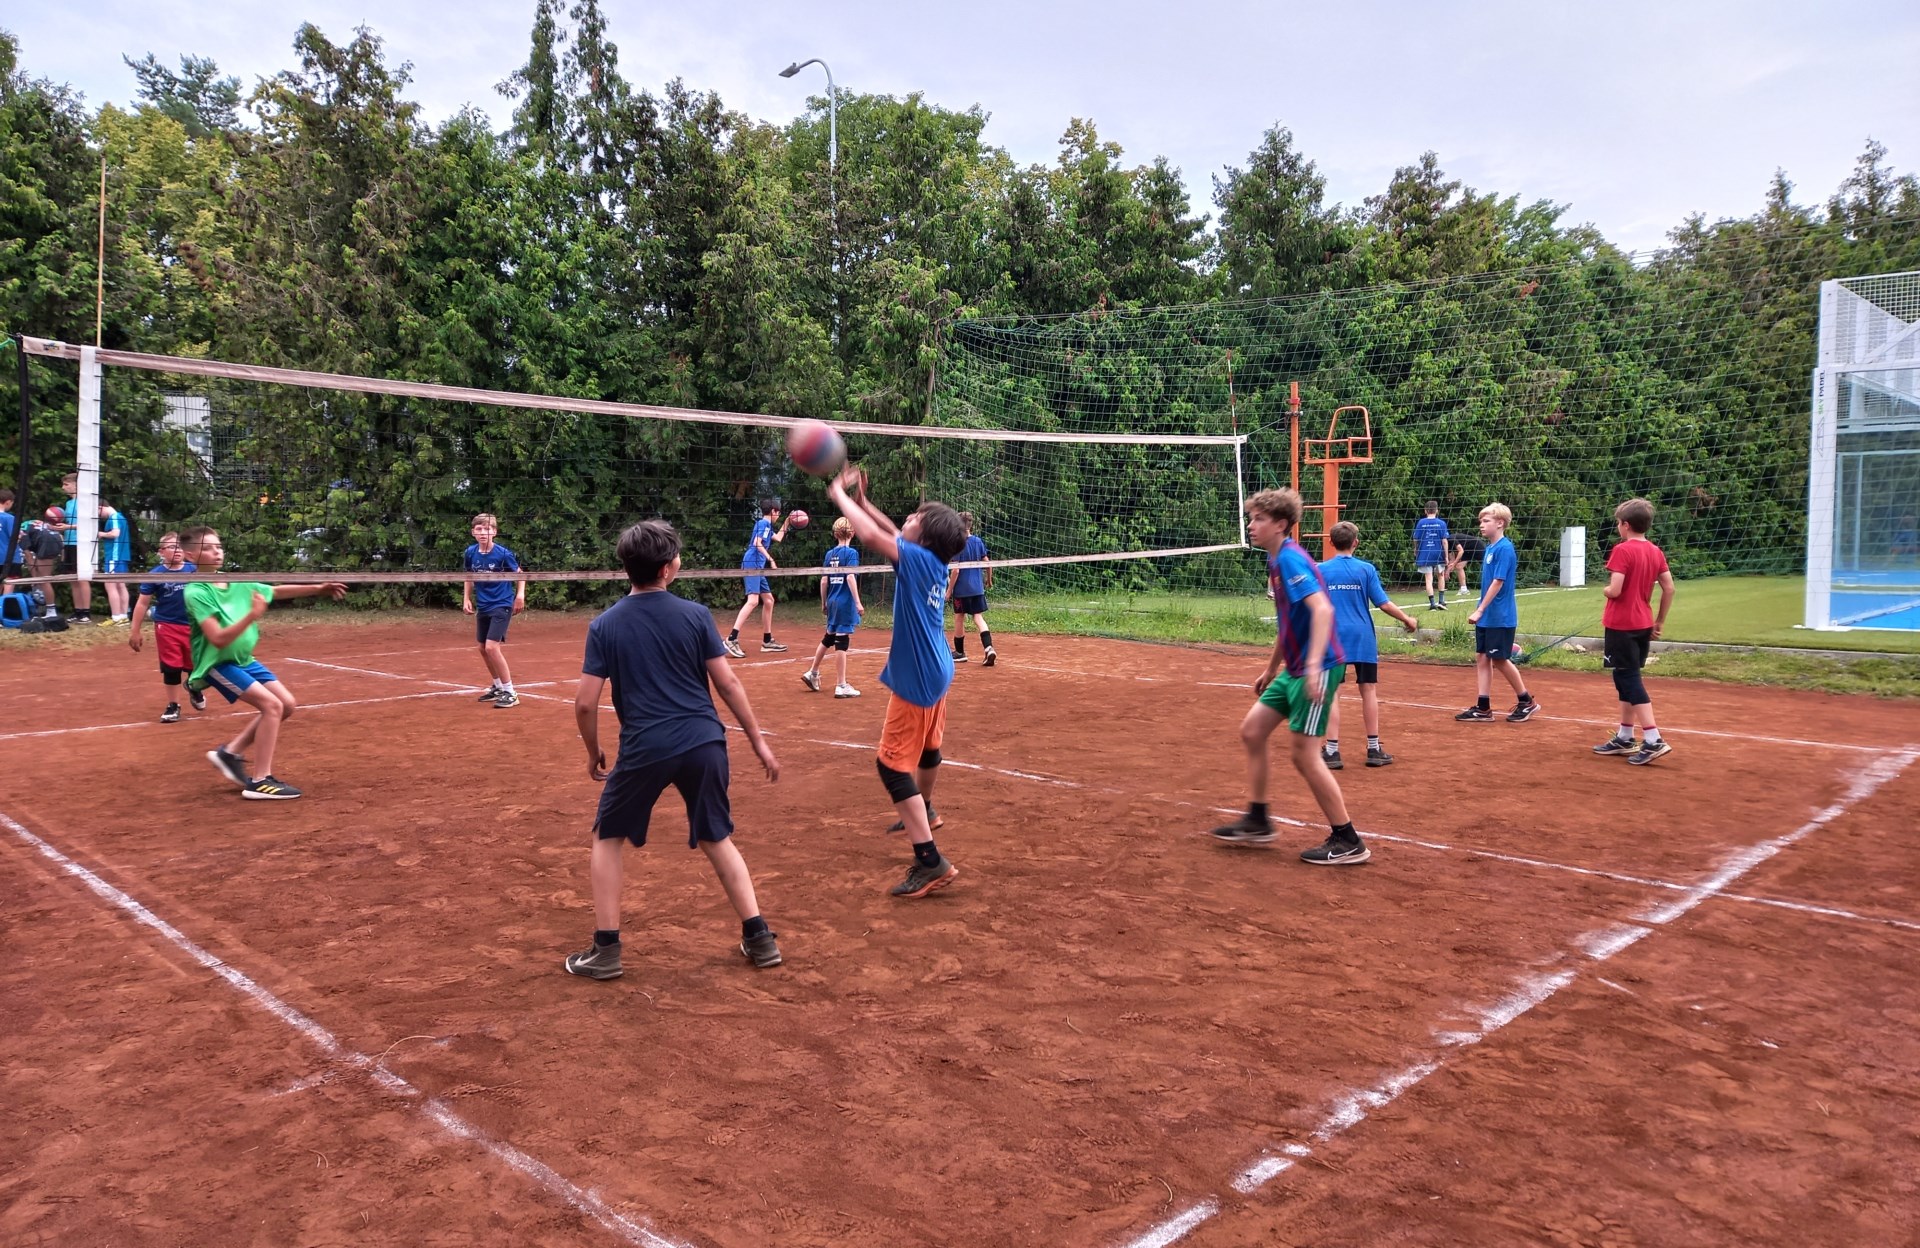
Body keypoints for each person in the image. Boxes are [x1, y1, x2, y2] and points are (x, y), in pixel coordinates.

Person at [563, 519, 783, 980]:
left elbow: (584, 703)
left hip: (646, 745)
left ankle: (606, 950)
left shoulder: (605, 625)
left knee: (608, 837)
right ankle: (760, 937)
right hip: (704, 741)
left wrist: (593, 751)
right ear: (668, 569)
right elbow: (727, 683)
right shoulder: (696, 615)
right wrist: (758, 740)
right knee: (717, 836)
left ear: (627, 567)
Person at [826, 462, 970, 897]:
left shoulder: (918, 558)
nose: (907, 517)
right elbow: (890, 531)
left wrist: (839, 494)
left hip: (919, 675)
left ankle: (930, 861)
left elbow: (874, 536)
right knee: (927, 747)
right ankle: (925, 809)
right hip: (937, 668)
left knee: (890, 767)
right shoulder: (931, 561)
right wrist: (865, 501)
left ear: (921, 539)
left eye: (915, 518)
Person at [1210, 488, 1370, 865]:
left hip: (1319, 667)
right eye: (1251, 518)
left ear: (1281, 524)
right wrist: (1271, 668)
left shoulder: (1291, 560)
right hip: (1294, 669)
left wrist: (1313, 666)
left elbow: (1322, 611)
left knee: (1304, 755)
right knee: (1253, 731)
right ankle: (1258, 820)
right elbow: (1289, 623)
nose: (1251, 525)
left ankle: (1348, 839)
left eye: (1259, 519)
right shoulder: (1276, 560)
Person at [179, 525, 347, 800]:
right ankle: (260, 781)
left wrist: (318, 588)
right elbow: (218, 639)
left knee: (286, 705)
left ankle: (230, 753)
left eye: (218, 546)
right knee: (272, 706)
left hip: (244, 660)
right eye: (207, 548)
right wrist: (253, 615)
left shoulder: (237, 582)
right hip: (218, 664)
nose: (216, 552)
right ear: (189, 556)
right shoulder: (196, 592)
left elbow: (275, 591)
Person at [1318, 522, 1420, 769]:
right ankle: (1373, 749)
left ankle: (1332, 751)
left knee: (1332, 693)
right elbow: (1383, 603)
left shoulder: (1320, 570)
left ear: (1331, 542)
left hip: (1332, 636)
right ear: (1356, 542)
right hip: (1362, 636)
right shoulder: (1366, 569)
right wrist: (1407, 619)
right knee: (1369, 690)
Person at [1593, 498, 1677, 766]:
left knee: (1628, 678)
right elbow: (1669, 588)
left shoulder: (1622, 550)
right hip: (1642, 623)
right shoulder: (1655, 551)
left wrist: (1606, 591)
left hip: (1622, 624)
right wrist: (1659, 621)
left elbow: (1615, 590)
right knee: (1624, 676)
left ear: (1626, 525)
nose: (1618, 527)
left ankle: (1653, 738)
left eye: (1618, 523)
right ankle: (1625, 736)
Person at [1455, 503, 1538, 723]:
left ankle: (1526, 701)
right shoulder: (1490, 548)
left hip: (1500, 616)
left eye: (1486, 521)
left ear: (1500, 523)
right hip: (1487, 616)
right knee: (1482, 657)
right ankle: (1483, 708)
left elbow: (1498, 582)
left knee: (1499, 659)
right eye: (1481, 521)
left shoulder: (1504, 549)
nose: (1481, 525)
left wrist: (1480, 609)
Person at [128, 532, 205, 723]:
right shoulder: (156, 575)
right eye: (171, 547)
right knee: (172, 667)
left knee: (195, 666)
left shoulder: (195, 570)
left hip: (194, 626)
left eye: (180, 546)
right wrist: (135, 631)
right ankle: (173, 705)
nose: (177, 550)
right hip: (167, 626)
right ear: (161, 552)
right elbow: (142, 603)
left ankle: (194, 688)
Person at [462, 512, 526, 708]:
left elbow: (520, 575)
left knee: (491, 647)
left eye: (487, 529)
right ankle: (498, 687)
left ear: (495, 532)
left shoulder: (503, 554)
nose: (483, 533)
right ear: (473, 532)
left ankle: (510, 692)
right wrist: (466, 598)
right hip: (484, 605)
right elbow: (469, 576)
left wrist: (520, 596)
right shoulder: (470, 553)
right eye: (479, 529)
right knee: (482, 648)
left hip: (502, 604)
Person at [801, 516, 865, 698]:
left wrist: (823, 603)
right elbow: (850, 577)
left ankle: (812, 672)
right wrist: (858, 602)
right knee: (842, 641)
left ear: (835, 534)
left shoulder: (829, 554)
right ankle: (841, 685)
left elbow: (824, 581)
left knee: (829, 637)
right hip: (845, 602)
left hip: (832, 600)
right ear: (852, 533)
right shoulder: (851, 553)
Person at [723, 499, 791, 657]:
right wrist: (771, 559)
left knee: (769, 600)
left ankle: (767, 641)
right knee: (753, 601)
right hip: (752, 564)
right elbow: (757, 543)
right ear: (773, 511)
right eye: (778, 513)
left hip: (757, 566)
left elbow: (778, 538)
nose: (779, 516)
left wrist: (788, 521)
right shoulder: (763, 524)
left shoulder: (766, 526)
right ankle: (731, 639)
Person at [948, 512, 997, 666]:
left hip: (962, 590)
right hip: (977, 588)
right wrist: (989, 580)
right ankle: (989, 648)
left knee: (959, 617)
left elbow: (956, 570)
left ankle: (960, 652)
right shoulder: (978, 541)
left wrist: (949, 591)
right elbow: (988, 563)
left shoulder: (957, 543)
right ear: (970, 525)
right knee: (978, 617)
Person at [53, 473, 93, 623]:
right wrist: (58, 527)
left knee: (82, 577)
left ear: (77, 485)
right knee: (73, 578)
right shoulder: (69, 503)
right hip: (69, 542)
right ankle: (78, 611)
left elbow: (88, 523)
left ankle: (86, 612)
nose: (63, 487)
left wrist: (68, 527)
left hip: (80, 543)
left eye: (66, 484)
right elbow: (68, 524)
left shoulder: (84, 502)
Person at [97, 500, 132, 623]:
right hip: (121, 556)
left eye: (97, 512)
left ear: (100, 507)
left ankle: (116, 617)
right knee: (120, 585)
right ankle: (123, 617)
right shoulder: (121, 517)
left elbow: (115, 533)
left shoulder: (115, 517)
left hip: (114, 556)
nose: (98, 516)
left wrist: (101, 534)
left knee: (110, 585)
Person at [1413, 500, 1450, 611]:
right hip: (1438, 553)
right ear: (1437, 510)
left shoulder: (1421, 523)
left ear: (1425, 511)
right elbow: (1444, 541)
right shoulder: (1441, 523)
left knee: (1428, 578)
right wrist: (1446, 556)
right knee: (1441, 575)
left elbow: (1416, 538)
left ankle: (1432, 604)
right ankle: (1441, 601)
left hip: (1425, 553)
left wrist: (1416, 550)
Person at [1447, 529, 1484, 600]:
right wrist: (1447, 571)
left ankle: (1492, 585)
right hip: (1467, 551)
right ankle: (1464, 589)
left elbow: (1461, 551)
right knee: (1459, 566)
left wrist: (1454, 563)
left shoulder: (1450, 539)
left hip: (1476, 546)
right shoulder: (1446, 545)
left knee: (1486, 565)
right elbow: (1452, 560)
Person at [0, 489, 17, 584]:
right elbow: (15, 537)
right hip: (8, 557)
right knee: (9, 583)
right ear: (8, 502)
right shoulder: (9, 518)